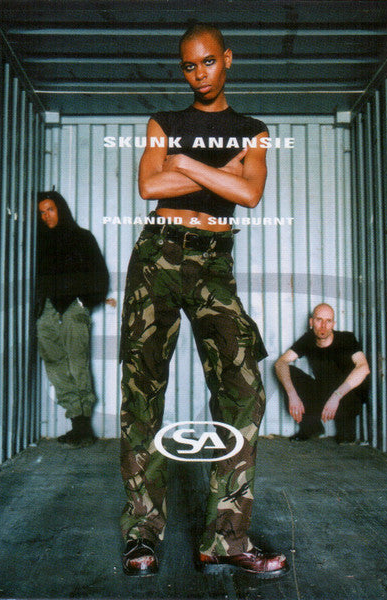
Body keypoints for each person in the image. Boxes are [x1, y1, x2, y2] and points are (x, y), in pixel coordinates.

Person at [118, 23, 288, 578]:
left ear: (227, 59)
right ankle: (141, 538)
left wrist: (184, 165)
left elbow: (250, 193)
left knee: (243, 389)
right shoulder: (163, 122)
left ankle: (225, 538)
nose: (200, 74)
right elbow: (150, 186)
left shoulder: (252, 130)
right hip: (158, 257)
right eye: (189, 66)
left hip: (215, 261)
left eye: (209, 62)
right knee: (142, 391)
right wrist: (220, 173)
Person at [36, 191, 114, 448]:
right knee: (55, 364)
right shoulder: (38, 241)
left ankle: (83, 428)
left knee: (77, 363)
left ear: (61, 209)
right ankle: (76, 422)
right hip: (47, 309)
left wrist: (84, 302)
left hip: (73, 308)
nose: (46, 216)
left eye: (50, 209)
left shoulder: (82, 237)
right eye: (41, 212)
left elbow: (100, 274)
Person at [274, 303, 370, 443]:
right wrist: (292, 394)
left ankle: (346, 430)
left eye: (328, 321)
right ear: (311, 322)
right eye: (319, 320)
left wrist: (336, 396)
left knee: (345, 440)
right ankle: (311, 427)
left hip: (347, 396)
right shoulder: (308, 339)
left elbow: (363, 368)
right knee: (289, 372)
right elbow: (280, 363)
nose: (323, 326)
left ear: (333, 324)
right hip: (325, 391)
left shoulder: (346, 339)